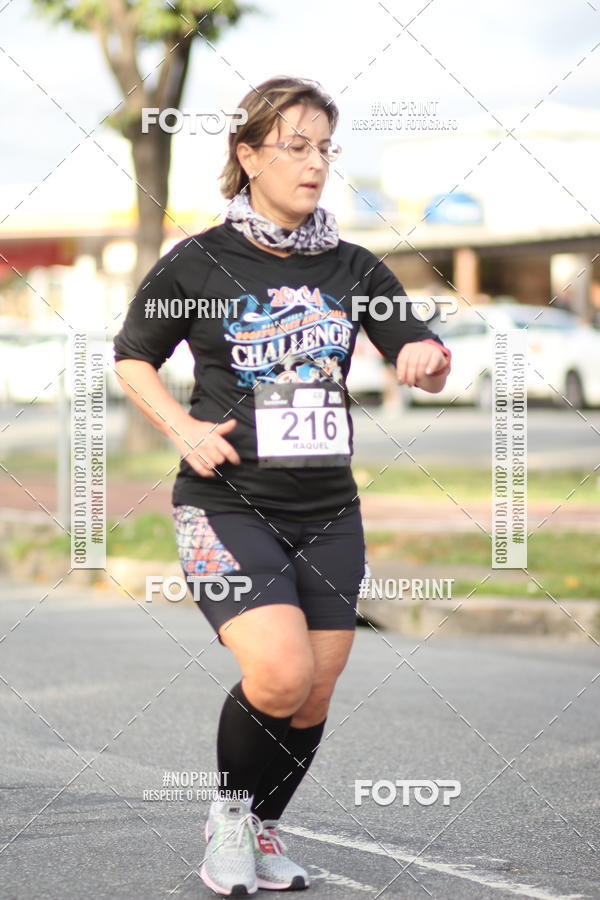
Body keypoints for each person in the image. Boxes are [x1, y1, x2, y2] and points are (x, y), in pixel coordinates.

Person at [113, 74, 451, 898]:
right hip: (226, 501)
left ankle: (264, 829)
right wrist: (183, 429)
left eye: (325, 148)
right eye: (295, 145)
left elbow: (428, 355)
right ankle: (227, 822)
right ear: (249, 153)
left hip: (328, 508)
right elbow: (132, 359)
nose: (314, 163)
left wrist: (427, 360)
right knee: (278, 674)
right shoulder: (198, 260)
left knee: (316, 688)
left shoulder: (354, 265)